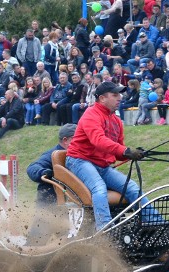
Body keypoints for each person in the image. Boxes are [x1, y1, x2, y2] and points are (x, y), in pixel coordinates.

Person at [65, 81, 153, 231]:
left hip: (102, 166)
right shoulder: (91, 115)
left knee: (132, 188)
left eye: (119, 94)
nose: (119, 98)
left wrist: (133, 154)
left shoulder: (117, 121)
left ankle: (155, 223)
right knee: (99, 188)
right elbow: (98, 141)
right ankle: (105, 230)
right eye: (115, 95)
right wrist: (125, 151)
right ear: (102, 98)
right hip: (80, 160)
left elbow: (117, 152)